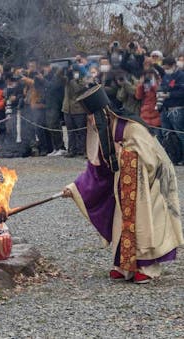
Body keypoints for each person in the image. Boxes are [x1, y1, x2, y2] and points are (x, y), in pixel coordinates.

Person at [63, 85, 183, 284]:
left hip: (148, 183)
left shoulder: (131, 126)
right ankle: (124, 266)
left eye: (93, 116)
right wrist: (74, 188)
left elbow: (150, 158)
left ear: (103, 114)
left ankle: (146, 266)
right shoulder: (104, 131)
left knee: (143, 223)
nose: (90, 121)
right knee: (122, 222)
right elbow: (97, 167)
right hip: (126, 185)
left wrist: (123, 153)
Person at [157, 57, 184, 164]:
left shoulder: (181, 76)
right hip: (165, 109)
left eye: (167, 67)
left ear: (173, 65)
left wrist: (169, 94)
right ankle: (171, 156)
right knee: (166, 134)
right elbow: (162, 87)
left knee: (180, 134)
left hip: (177, 109)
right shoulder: (166, 76)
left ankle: (182, 157)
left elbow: (182, 92)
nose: (166, 69)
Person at [62, 63, 87, 157]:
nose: (73, 73)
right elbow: (59, 78)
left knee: (81, 131)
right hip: (67, 109)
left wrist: (73, 80)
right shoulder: (67, 80)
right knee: (70, 131)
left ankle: (84, 150)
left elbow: (78, 90)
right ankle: (72, 150)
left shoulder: (82, 80)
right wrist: (65, 72)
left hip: (78, 109)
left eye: (75, 71)